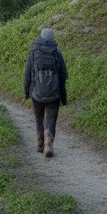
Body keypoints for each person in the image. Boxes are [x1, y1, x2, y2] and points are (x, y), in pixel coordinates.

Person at [23, 27, 68, 157]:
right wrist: (63, 97)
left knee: (38, 117)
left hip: (36, 94)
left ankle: (40, 144)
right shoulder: (56, 53)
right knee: (51, 118)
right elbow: (63, 76)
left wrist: (26, 92)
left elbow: (27, 74)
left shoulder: (34, 53)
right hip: (54, 94)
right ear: (52, 38)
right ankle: (49, 136)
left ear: (41, 38)